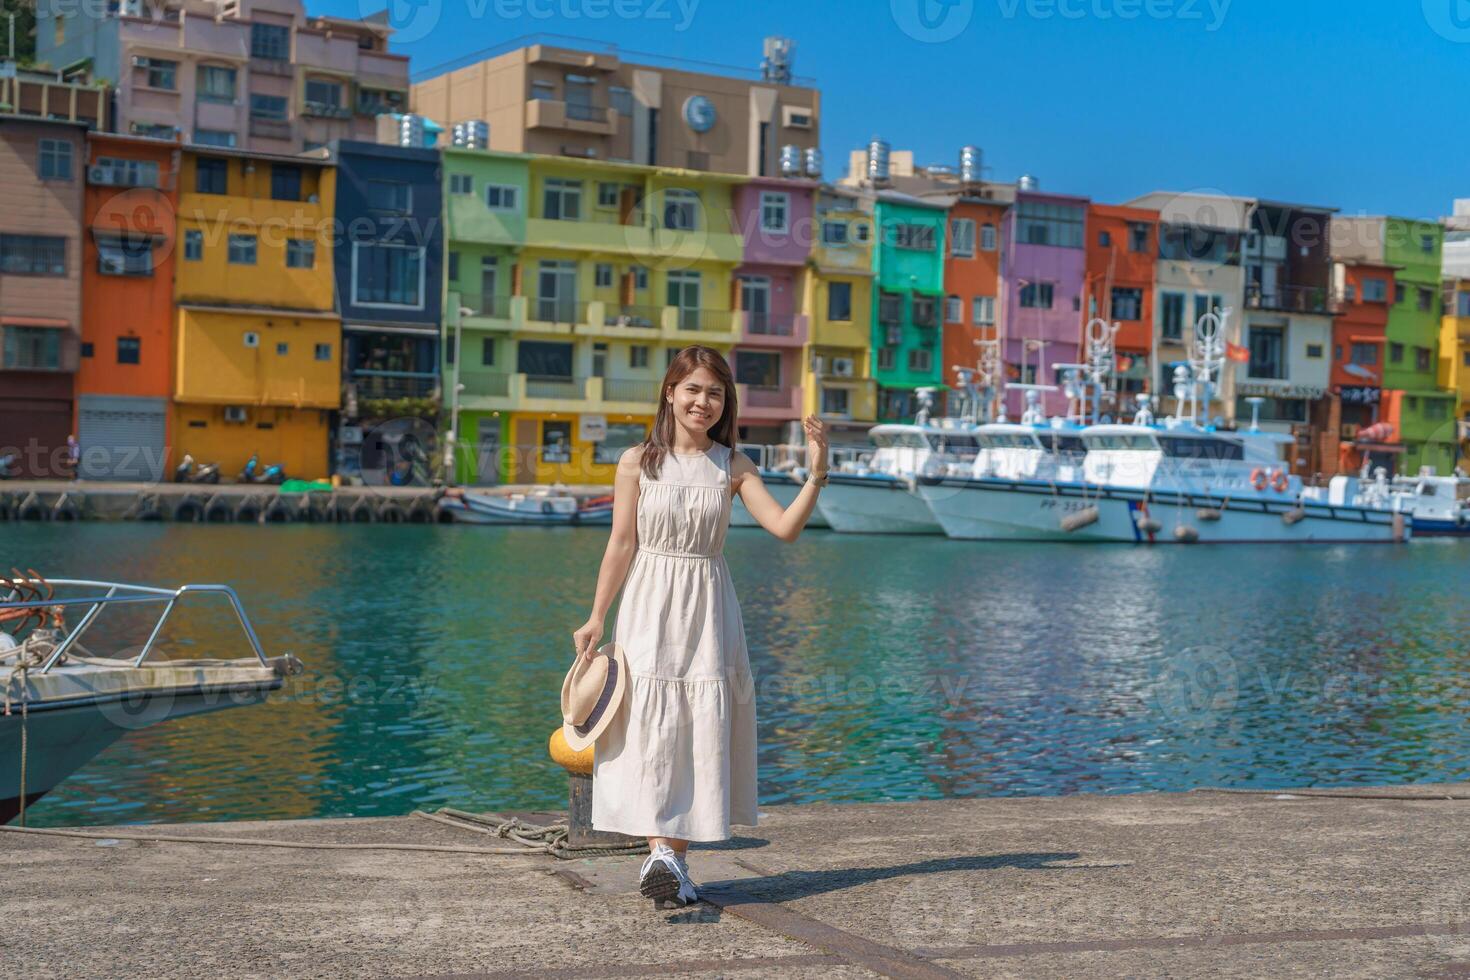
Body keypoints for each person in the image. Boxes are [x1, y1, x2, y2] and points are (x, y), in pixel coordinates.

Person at [571, 345, 828, 910]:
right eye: (692, 389)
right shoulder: (638, 461)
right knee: (650, 725)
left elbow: (783, 528)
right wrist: (595, 616)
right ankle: (667, 858)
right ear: (670, 392)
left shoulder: (733, 466)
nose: (703, 402)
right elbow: (621, 544)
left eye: (715, 392)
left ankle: (670, 859)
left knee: (697, 724)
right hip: (647, 600)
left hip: (708, 604)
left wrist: (816, 475)